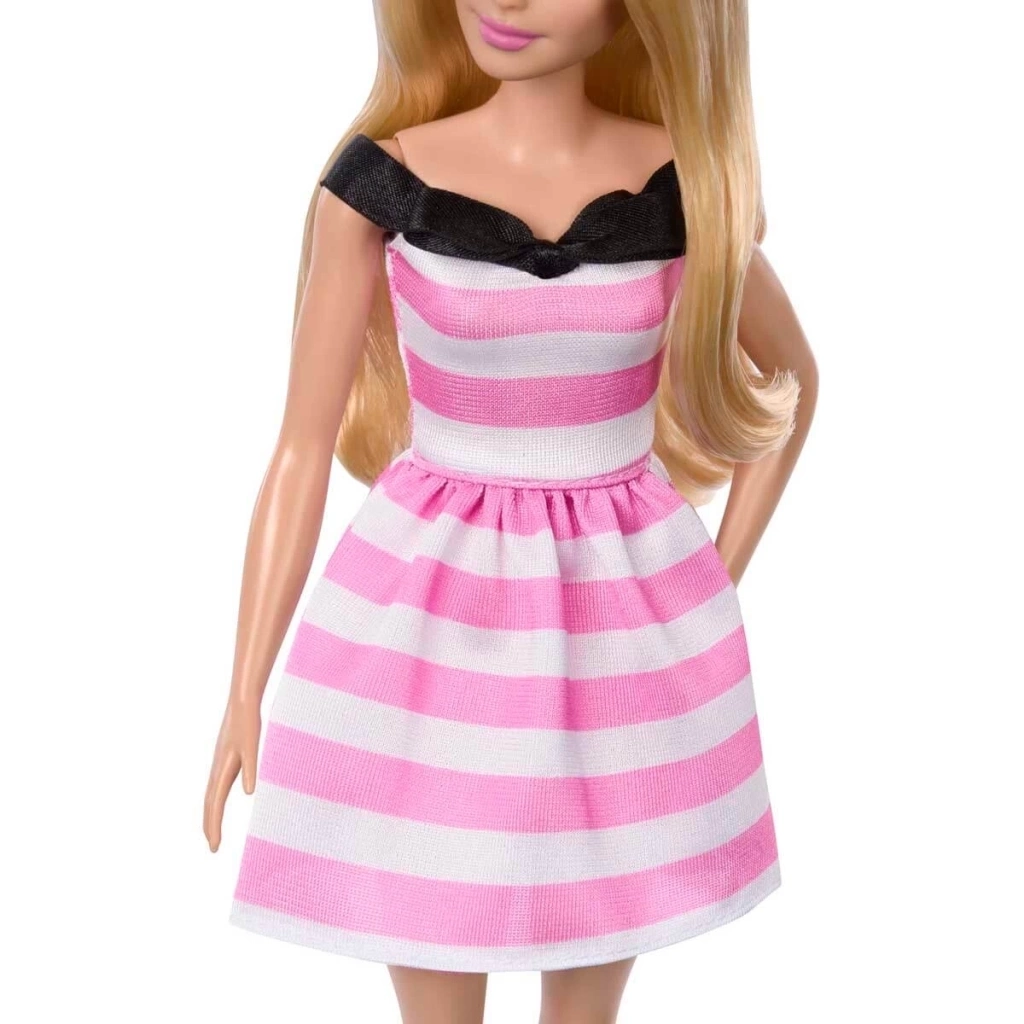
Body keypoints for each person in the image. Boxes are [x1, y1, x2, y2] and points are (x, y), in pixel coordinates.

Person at [204, 2, 819, 1020]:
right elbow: (299, 448)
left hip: (621, 627)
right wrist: (243, 686)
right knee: (431, 919)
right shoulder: (382, 183)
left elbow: (791, 382)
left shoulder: (684, 187)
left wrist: (716, 578)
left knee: (597, 943)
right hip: (431, 616)